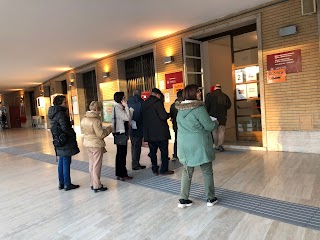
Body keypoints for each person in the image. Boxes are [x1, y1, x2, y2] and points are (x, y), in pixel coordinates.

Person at [176, 84, 219, 208]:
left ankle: (183, 199)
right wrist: (216, 122)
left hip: (185, 145)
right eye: (198, 91)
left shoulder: (180, 109)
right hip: (200, 144)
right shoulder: (199, 108)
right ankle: (210, 198)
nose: (200, 93)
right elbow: (209, 126)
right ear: (193, 93)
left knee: (187, 171)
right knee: (206, 171)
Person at [48, 95, 80, 191]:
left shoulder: (53, 113)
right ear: (60, 103)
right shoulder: (61, 113)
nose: (66, 103)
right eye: (64, 102)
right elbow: (65, 128)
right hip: (65, 140)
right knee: (66, 161)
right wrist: (73, 134)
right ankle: (67, 184)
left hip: (58, 139)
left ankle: (61, 183)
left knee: (61, 161)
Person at [80, 101, 113, 192]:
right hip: (96, 144)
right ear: (97, 109)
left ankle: (92, 183)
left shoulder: (84, 119)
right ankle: (97, 185)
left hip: (88, 143)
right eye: (100, 109)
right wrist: (109, 128)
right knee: (97, 165)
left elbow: (84, 131)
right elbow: (101, 134)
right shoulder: (96, 120)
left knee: (92, 164)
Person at [143, 88, 173, 175]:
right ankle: (164, 169)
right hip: (160, 133)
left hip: (150, 133)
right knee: (164, 152)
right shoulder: (158, 103)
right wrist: (169, 114)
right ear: (158, 95)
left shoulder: (144, 103)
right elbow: (163, 116)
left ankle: (155, 169)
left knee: (153, 152)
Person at [112, 92, 133, 181]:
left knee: (121, 154)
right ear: (121, 99)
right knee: (121, 154)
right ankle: (122, 174)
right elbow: (127, 117)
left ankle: (120, 173)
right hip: (120, 133)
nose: (125, 99)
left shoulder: (119, 107)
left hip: (121, 133)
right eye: (124, 98)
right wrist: (127, 107)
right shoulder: (118, 108)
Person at [205, 83, 231, 152]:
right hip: (222, 116)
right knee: (221, 131)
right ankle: (220, 145)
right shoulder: (225, 96)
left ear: (215, 88)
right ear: (220, 88)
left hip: (212, 117)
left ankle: (216, 145)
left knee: (214, 131)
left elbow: (206, 106)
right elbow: (229, 106)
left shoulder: (210, 96)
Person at [127, 89, 146, 170]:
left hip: (130, 127)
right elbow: (144, 116)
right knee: (137, 146)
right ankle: (135, 164)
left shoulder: (127, 102)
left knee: (133, 146)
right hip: (139, 127)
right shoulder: (141, 103)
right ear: (140, 94)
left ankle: (134, 162)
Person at [169, 90, 183, 161]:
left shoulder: (172, 105)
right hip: (182, 126)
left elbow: (171, 116)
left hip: (175, 125)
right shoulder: (182, 105)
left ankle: (175, 154)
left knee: (177, 140)